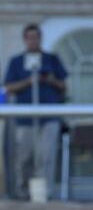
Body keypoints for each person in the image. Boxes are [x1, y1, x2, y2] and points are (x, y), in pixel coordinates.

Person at [3, 24, 68, 199]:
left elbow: (63, 86)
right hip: (24, 119)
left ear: (40, 38)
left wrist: (50, 80)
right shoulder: (16, 62)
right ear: (25, 40)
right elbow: (8, 87)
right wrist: (29, 81)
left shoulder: (52, 59)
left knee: (46, 157)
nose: (33, 40)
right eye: (30, 37)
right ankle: (22, 194)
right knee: (24, 158)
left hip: (49, 118)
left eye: (36, 37)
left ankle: (45, 195)